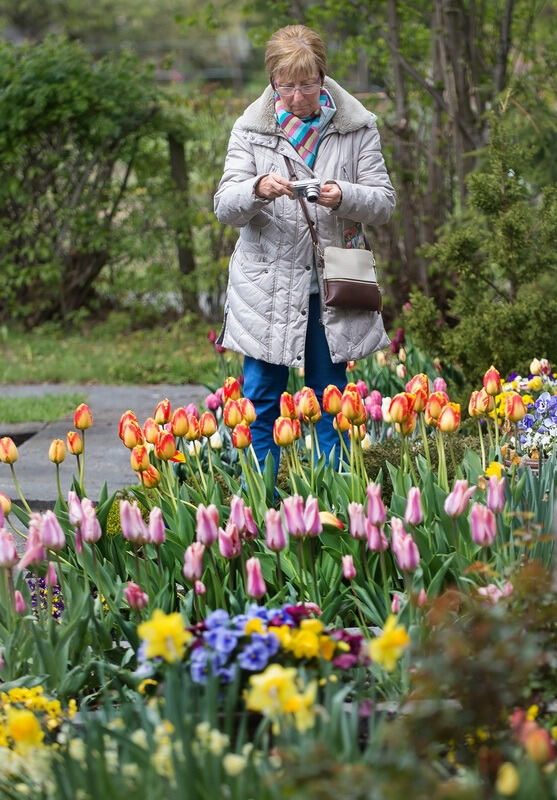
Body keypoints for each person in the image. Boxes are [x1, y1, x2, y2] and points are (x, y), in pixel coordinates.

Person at [214, 24, 396, 472]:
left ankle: (331, 503)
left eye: (307, 84)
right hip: (267, 286)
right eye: (287, 85)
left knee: (329, 398)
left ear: (322, 75)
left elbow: (384, 202)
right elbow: (224, 205)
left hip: (334, 281)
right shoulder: (251, 129)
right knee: (260, 400)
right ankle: (262, 504)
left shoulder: (357, 126)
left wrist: (343, 195)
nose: (297, 96)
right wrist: (257, 188)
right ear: (273, 81)